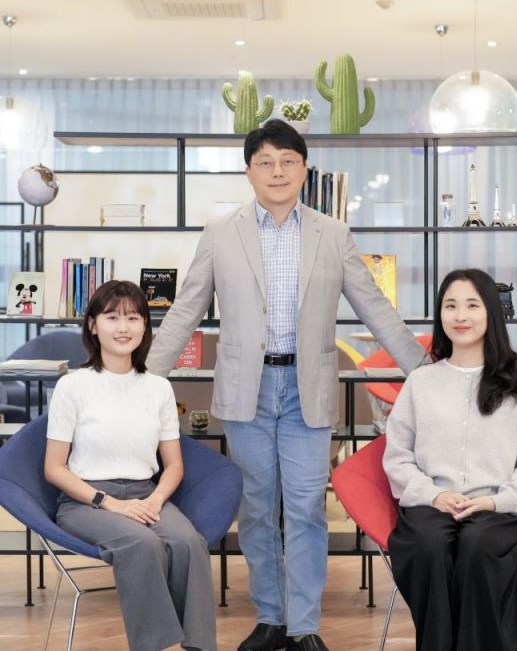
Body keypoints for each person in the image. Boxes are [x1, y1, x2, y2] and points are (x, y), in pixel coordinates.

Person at [146, 119, 428, 651]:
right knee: (256, 508)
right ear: (248, 171)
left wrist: (424, 368)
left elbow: (375, 307)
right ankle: (270, 618)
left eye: (287, 161)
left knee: (304, 509)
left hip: (307, 388)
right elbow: (186, 309)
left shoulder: (333, 234)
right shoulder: (221, 231)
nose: (277, 171)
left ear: (304, 169)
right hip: (246, 389)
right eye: (265, 162)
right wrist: (145, 377)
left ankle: (303, 626)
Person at [382, 268, 517, 651]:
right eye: (451, 306)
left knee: (478, 546)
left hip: (496, 507)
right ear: (440, 314)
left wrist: (495, 501)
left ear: (490, 312)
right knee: (428, 546)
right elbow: (398, 457)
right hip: (431, 504)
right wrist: (433, 495)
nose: (460, 316)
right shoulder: (421, 382)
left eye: (472, 305)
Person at [44, 280, 217, 651]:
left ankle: (200, 646)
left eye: (133, 318)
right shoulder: (72, 386)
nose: (123, 328)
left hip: (144, 494)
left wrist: (155, 500)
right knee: (142, 543)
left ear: (145, 326)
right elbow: (54, 469)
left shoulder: (158, 388)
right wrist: (110, 503)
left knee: (189, 543)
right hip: (86, 501)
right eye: (112, 317)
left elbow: (173, 465)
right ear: (93, 325)